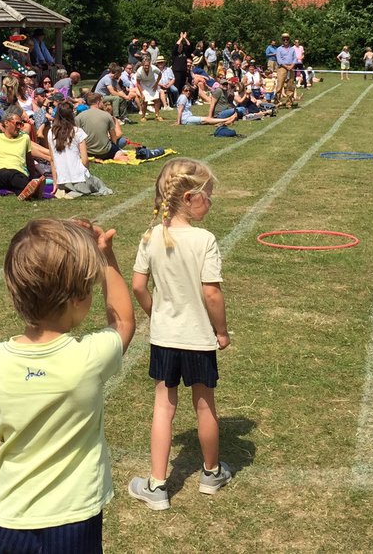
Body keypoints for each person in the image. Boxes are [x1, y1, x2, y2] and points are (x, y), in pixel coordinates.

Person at [0, 218, 135, 552]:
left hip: (10, 518)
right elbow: (123, 321)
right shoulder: (88, 358)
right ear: (78, 298)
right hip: (76, 520)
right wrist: (107, 259)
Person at [128, 157, 230, 510]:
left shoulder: (151, 236)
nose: (212, 201)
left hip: (165, 338)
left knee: (163, 406)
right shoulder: (204, 240)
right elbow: (212, 293)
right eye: (209, 194)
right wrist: (222, 331)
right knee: (205, 406)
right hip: (199, 338)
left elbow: (139, 286)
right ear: (188, 198)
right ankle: (211, 473)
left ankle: (156, 486)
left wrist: (155, 313)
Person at [0, 107, 45, 200]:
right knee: (9, 174)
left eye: (21, 124)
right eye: (17, 124)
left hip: (20, 173)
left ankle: (25, 191)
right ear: (6, 123)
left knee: (17, 177)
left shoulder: (24, 138)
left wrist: (32, 178)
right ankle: (33, 190)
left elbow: (29, 161)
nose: (19, 127)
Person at [48, 101, 112, 198]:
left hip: (62, 180)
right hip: (79, 178)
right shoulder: (77, 131)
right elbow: (85, 159)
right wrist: (87, 174)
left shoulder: (50, 132)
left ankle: (67, 191)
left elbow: (52, 160)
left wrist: (55, 182)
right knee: (100, 185)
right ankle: (76, 192)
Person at [75, 93, 129, 161]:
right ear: (98, 102)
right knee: (119, 151)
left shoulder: (79, 116)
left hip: (87, 151)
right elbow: (113, 137)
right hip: (104, 152)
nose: (103, 104)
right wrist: (115, 148)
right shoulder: (107, 116)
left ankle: (96, 158)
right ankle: (115, 155)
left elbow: (76, 134)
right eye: (102, 102)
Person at [274, 33, 298, 108]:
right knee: (279, 86)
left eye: (287, 39)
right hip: (282, 68)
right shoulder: (279, 49)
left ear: (289, 40)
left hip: (291, 68)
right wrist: (286, 66)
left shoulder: (292, 49)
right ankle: (277, 102)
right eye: (284, 39)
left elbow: (295, 58)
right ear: (282, 40)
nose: (285, 41)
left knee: (290, 86)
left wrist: (291, 66)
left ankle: (289, 103)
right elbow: (279, 59)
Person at [135, 55, 162, 121]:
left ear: (150, 64)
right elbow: (138, 83)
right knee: (144, 100)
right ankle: (143, 116)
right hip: (143, 85)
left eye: (148, 65)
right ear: (142, 65)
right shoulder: (139, 71)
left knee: (157, 99)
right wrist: (141, 93)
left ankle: (157, 115)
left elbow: (160, 74)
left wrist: (156, 84)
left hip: (153, 83)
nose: (146, 67)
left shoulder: (154, 68)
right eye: (145, 66)